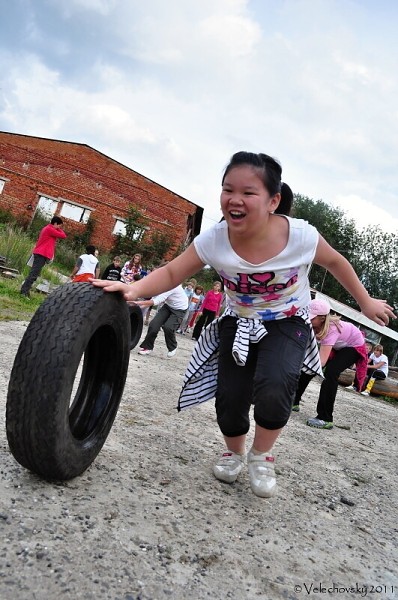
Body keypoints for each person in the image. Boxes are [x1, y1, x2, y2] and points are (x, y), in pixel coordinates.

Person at [91, 151, 394, 499]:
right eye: (227, 189)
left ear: (273, 200)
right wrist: (134, 289)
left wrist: (366, 301)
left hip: (288, 321)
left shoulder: (300, 236)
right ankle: (234, 452)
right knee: (230, 397)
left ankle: (262, 456)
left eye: (248, 193)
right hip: (239, 322)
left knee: (276, 383)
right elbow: (174, 271)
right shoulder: (214, 240)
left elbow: (336, 262)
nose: (235, 199)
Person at [292, 299, 369, 428]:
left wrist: (300, 364)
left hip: (353, 346)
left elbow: (320, 362)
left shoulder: (330, 329)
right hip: (338, 344)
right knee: (309, 366)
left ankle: (325, 418)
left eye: (312, 318)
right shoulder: (313, 324)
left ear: (322, 318)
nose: (308, 320)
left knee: (331, 372)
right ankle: (294, 401)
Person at [135, 285, 189, 358]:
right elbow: (155, 295)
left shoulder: (173, 286)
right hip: (168, 306)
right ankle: (148, 347)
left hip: (180, 309)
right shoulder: (162, 283)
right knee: (153, 325)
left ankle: (172, 347)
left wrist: (139, 303)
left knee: (168, 327)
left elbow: (157, 300)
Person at [20, 216, 67, 298]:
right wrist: (58, 228)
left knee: (35, 274)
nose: (60, 228)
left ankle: (26, 291)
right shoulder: (50, 229)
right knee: (33, 274)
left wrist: (57, 227)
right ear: (55, 223)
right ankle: (24, 292)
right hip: (41, 254)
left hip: (41, 254)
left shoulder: (48, 228)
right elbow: (63, 236)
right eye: (59, 225)